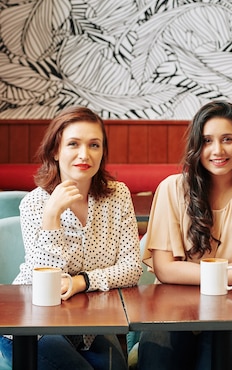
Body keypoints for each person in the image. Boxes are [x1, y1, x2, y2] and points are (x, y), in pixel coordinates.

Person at [137, 100, 232, 370]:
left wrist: (188, 270)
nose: (217, 150)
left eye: (227, 139)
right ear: (197, 146)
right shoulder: (172, 189)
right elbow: (165, 270)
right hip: (174, 308)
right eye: (207, 141)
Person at [0, 106, 141, 370]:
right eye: (73, 144)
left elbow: (132, 269)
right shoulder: (34, 203)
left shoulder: (118, 195)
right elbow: (47, 282)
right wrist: (52, 214)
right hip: (34, 323)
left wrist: (82, 281)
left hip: (89, 325)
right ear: (55, 150)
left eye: (94, 145)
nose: (84, 155)